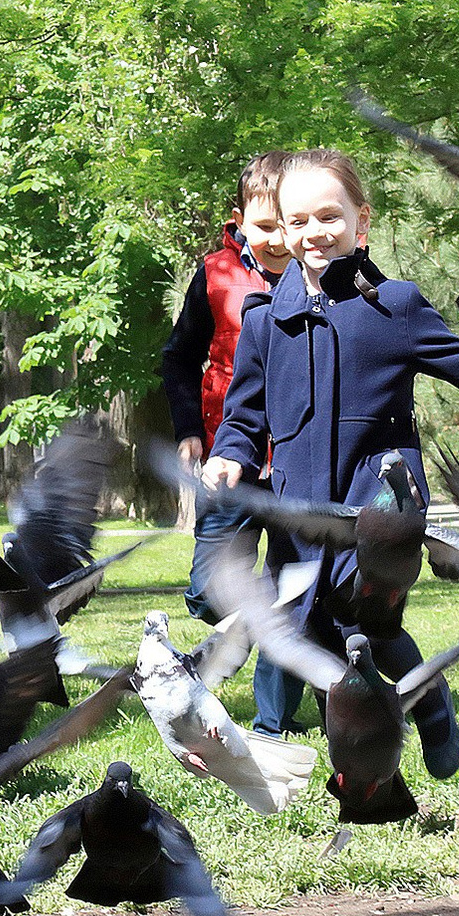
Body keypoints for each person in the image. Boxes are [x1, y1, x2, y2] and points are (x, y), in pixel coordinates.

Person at [205, 148, 459, 774]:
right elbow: (244, 415)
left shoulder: (394, 307)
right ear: (281, 232)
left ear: (360, 223)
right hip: (300, 510)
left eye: (329, 216)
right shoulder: (265, 321)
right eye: (298, 221)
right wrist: (230, 455)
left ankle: (429, 706)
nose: (314, 232)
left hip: (380, 505)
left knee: (372, 625)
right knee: (311, 632)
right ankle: (364, 754)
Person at [159, 154, 293, 622]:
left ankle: (299, 658)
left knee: (303, 588)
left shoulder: (322, 275)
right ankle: (259, 612)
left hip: (299, 464)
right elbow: (178, 357)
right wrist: (188, 429)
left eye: (287, 224)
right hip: (229, 457)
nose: (278, 240)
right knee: (206, 594)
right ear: (239, 221)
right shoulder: (215, 275)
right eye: (264, 226)